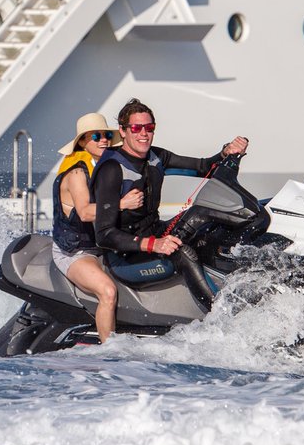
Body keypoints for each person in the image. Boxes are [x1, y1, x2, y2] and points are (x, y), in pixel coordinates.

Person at [92, 98, 248, 309]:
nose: (144, 133)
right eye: (136, 128)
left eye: (149, 127)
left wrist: (226, 152)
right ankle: (223, 316)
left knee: (202, 217)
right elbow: (104, 235)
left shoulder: (157, 156)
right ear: (123, 130)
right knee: (183, 255)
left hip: (157, 233)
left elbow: (205, 167)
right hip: (126, 259)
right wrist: (154, 244)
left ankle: (251, 281)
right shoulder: (111, 169)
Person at [51, 112, 144, 342]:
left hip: (101, 245)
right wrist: (122, 204)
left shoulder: (103, 168)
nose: (104, 140)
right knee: (108, 291)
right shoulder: (76, 173)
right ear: (83, 142)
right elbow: (84, 212)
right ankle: (109, 350)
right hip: (75, 251)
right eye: (96, 136)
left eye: (107, 136)